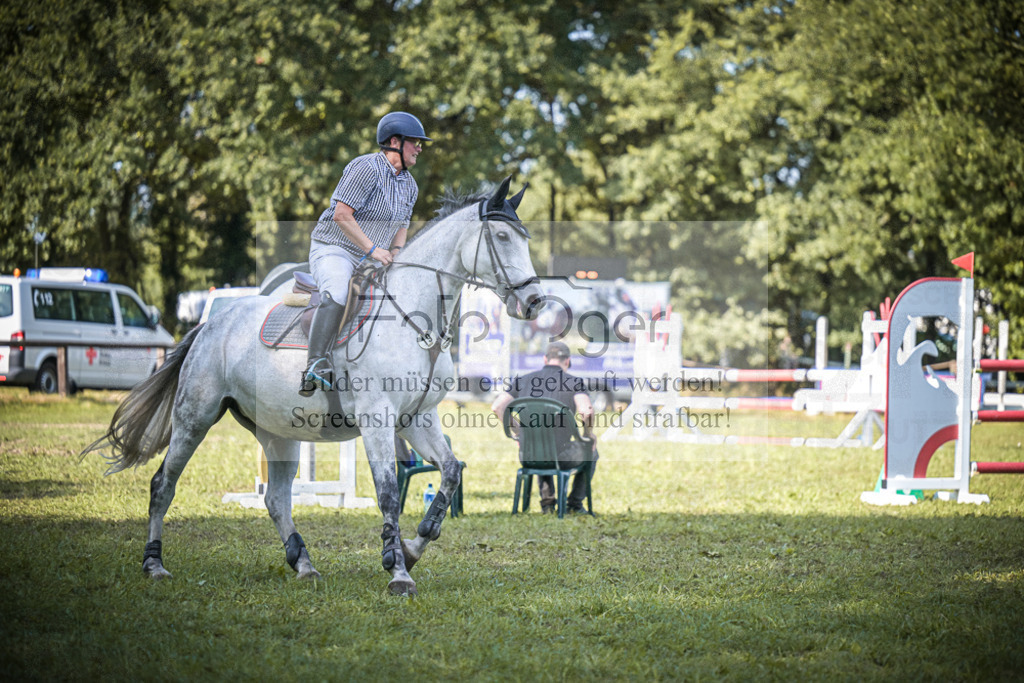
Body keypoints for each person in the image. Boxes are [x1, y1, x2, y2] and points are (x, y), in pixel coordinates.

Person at [299, 112, 431, 396]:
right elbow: (341, 215)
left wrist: (396, 253)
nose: (420, 148)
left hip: (374, 257)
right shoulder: (365, 168)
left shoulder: (410, 185)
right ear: (394, 142)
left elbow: (402, 227)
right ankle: (315, 363)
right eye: (415, 142)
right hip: (335, 249)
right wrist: (373, 249)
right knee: (338, 291)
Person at [490, 341, 597, 514]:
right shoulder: (574, 382)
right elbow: (587, 411)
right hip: (563, 457)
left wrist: (518, 431)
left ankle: (547, 504)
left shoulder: (522, 380)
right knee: (591, 452)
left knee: (540, 443)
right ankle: (575, 504)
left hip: (528, 455)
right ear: (567, 361)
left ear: (545, 359)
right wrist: (588, 435)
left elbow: (497, 407)